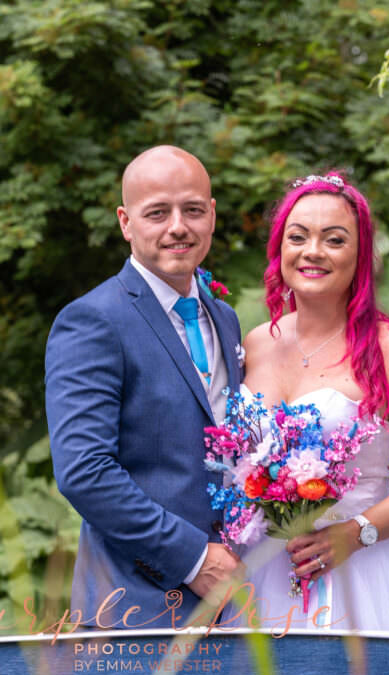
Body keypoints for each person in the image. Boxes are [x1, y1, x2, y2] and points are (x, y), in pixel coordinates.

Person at [231, 172, 389, 632]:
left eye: (334, 239)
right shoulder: (257, 342)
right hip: (262, 575)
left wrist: (356, 534)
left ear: (359, 256)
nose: (312, 251)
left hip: (366, 572)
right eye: (298, 237)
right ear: (280, 250)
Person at [45, 145, 244, 629]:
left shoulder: (226, 319)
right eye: (157, 212)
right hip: (137, 607)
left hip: (237, 607)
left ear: (212, 215)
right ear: (125, 222)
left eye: (193, 209)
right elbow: (85, 472)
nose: (178, 226)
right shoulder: (92, 321)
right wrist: (196, 559)